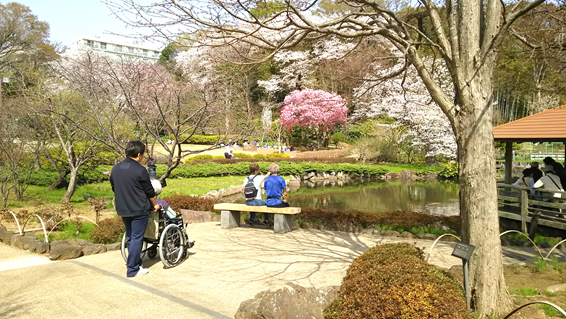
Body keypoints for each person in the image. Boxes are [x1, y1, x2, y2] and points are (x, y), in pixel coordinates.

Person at [111, 141, 160, 278]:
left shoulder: (115, 169)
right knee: (137, 238)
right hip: (139, 209)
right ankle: (133, 269)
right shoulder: (140, 170)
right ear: (139, 154)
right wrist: (155, 204)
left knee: (131, 237)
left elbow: (114, 187)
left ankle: (134, 263)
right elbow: (149, 191)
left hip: (123, 208)